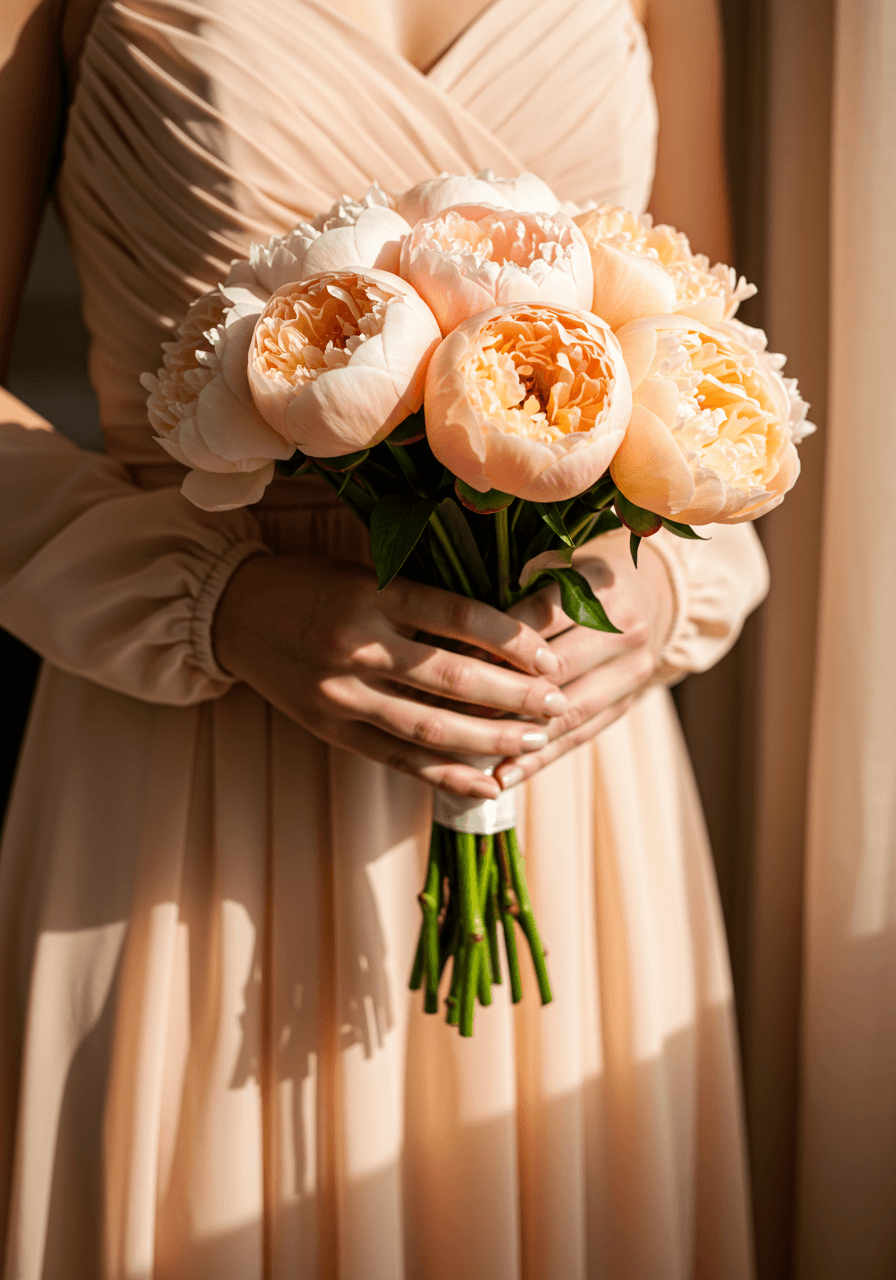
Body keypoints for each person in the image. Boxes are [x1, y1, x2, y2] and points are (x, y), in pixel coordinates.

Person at [0, 0, 768, 1274]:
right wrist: (221, 603)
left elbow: (713, 350)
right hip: (186, 753)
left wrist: (656, 586)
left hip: (559, 760)